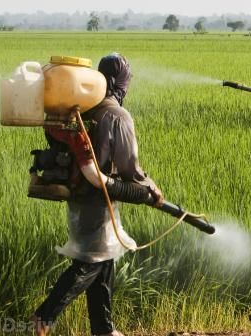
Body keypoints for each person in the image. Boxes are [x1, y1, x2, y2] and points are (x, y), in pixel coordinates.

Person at [31, 53, 163, 336]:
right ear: (120, 82)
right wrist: (150, 189)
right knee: (92, 262)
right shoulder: (116, 115)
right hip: (97, 194)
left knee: (104, 258)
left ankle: (103, 329)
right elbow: (131, 170)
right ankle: (45, 315)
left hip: (79, 192)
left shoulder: (83, 108)